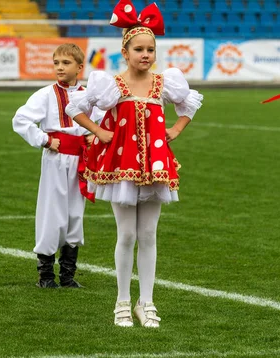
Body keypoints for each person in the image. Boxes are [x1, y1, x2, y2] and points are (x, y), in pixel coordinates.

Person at [65, 0, 202, 328]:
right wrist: (100, 131)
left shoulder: (163, 83)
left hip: (156, 166)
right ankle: (122, 302)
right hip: (121, 167)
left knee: (149, 234)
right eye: (138, 49)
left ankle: (147, 302)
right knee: (126, 234)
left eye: (150, 49)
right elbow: (76, 108)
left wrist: (174, 131)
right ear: (124, 53)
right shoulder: (111, 84)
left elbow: (189, 105)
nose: (145, 55)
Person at [12, 44, 105, 289]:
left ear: (79, 67)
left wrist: (92, 136)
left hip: (80, 161)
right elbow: (20, 120)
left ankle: (67, 275)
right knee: (51, 211)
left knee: (75, 212)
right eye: (56, 63)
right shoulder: (45, 94)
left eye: (66, 63)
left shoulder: (89, 97)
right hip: (56, 158)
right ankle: (45, 276)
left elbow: (102, 124)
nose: (60, 68)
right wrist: (44, 139)